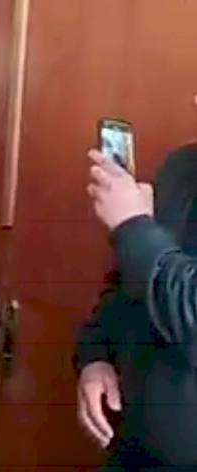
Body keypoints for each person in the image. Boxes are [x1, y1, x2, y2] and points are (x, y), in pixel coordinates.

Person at [76, 143, 197, 468]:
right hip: (134, 449)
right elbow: (129, 276)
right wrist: (96, 355)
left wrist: (132, 225)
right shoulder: (180, 165)